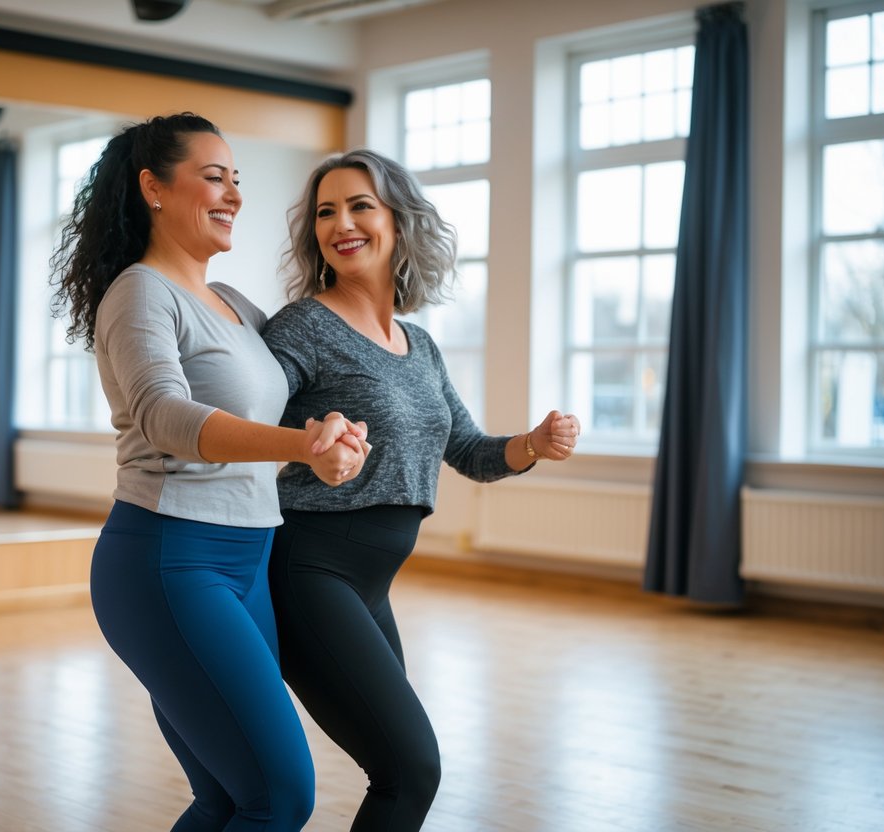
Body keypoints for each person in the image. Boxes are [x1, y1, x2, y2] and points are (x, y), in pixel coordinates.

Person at [52, 113, 369, 832]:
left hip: (246, 559)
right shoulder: (139, 293)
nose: (232, 194)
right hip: (169, 561)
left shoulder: (234, 306)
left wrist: (336, 439)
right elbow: (165, 416)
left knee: (230, 798)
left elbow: (294, 399)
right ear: (152, 188)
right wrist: (299, 445)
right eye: (213, 177)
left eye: (237, 181)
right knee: (280, 797)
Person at [261, 149, 582, 832]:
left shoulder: (419, 345)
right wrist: (304, 442)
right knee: (411, 771)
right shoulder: (301, 328)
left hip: (369, 585)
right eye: (325, 211)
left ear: (398, 224)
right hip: (309, 569)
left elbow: (466, 450)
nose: (340, 223)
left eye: (358, 206)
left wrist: (531, 442)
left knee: (400, 773)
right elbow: (245, 417)